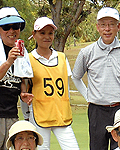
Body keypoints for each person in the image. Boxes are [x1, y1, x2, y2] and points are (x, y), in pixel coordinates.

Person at [72, 7, 120, 150]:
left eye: (111, 24)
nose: (107, 29)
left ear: (118, 27)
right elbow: (76, 77)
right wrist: (88, 96)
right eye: (103, 24)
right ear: (97, 27)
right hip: (97, 110)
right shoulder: (86, 52)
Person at [28, 17, 79, 150]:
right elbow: (26, 91)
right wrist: (27, 116)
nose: (47, 36)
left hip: (62, 116)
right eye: (42, 33)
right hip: (40, 116)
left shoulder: (61, 57)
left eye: (50, 33)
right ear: (34, 35)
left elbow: (66, 85)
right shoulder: (28, 59)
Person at [0, 7, 33, 150]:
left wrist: (23, 92)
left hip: (12, 114)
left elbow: (23, 76)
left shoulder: (22, 51)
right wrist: (8, 62)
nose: (11, 31)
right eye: (6, 27)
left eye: (16, 26)